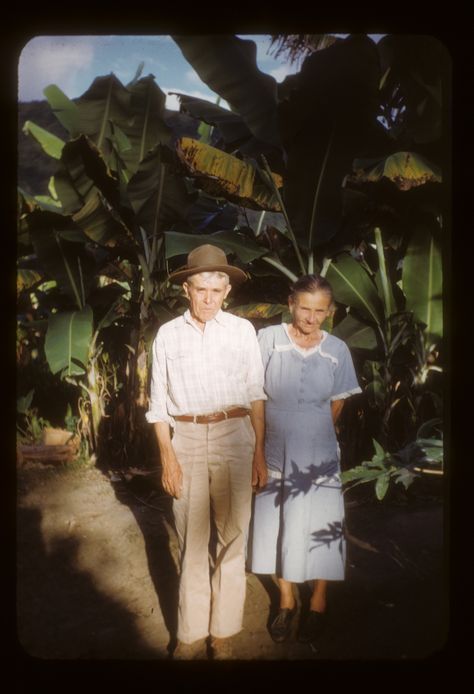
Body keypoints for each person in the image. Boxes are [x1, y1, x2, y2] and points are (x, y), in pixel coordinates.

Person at [145, 244, 268, 660]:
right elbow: (158, 404)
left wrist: (258, 454)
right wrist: (168, 456)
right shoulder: (167, 335)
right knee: (191, 539)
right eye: (201, 290)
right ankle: (191, 632)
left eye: (218, 291)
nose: (209, 299)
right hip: (188, 440)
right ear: (187, 290)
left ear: (227, 292)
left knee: (232, 538)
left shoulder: (242, 332)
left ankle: (224, 632)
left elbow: (256, 395)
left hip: (236, 436)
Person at [248, 274, 361, 647]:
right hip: (274, 450)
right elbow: (256, 397)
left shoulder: (338, 350)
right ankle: (286, 600)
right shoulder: (268, 340)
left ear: (329, 312)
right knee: (276, 524)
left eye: (320, 311)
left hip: (319, 455)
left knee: (321, 525)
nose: (311, 318)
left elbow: (338, 400)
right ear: (291, 303)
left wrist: (315, 435)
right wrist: (260, 450)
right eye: (305, 309)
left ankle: (318, 601)